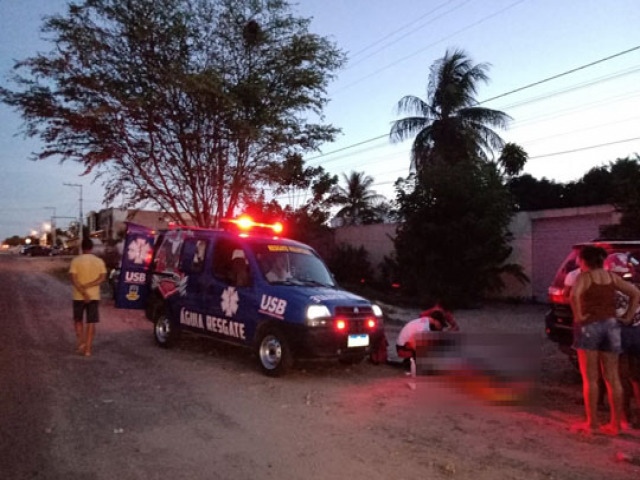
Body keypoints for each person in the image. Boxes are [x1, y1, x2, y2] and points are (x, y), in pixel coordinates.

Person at [570, 246, 640, 435]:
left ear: (584, 261)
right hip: (611, 326)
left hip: (590, 327)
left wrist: (579, 316)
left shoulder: (585, 277)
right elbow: (635, 293)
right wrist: (628, 316)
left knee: (591, 378)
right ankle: (615, 424)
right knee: (613, 377)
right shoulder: (612, 278)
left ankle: (592, 423)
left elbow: (574, 295)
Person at [69, 237, 107, 357]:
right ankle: (88, 349)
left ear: (82, 247)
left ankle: (80, 342)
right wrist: (89, 286)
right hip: (94, 296)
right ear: (92, 248)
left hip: (78, 296)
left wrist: (83, 291)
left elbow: (73, 279)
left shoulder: (76, 261)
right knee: (91, 322)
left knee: (78, 320)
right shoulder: (99, 261)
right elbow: (102, 278)